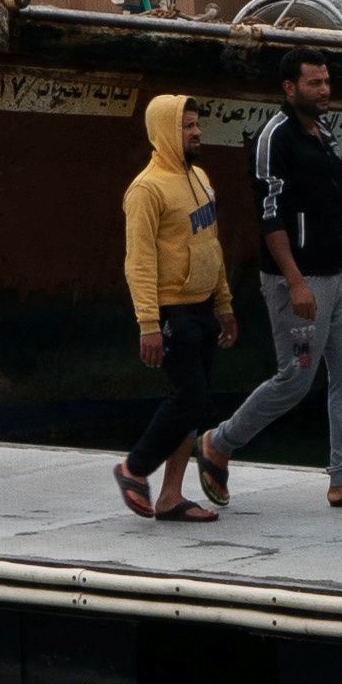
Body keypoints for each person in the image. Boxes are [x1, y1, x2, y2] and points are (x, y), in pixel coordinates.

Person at [213, 57, 342, 512]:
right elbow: (269, 216)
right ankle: (219, 442)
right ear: (290, 87)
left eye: (328, 81)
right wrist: (295, 282)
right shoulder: (274, 138)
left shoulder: (324, 131)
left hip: (340, 274)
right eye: (315, 83)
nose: (325, 89)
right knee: (296, 379)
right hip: (300, 280)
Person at [112, 91, 234, 523]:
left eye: (197, 124)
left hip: (202, 306)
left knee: (195, 404)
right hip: (171, 311)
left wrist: (224, 303)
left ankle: (170, 497)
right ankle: (134, 468)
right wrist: (148, 322)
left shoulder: (200, 177)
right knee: (190, 396)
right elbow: (138, 262)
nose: (197, 131)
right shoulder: (145, 190)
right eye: (187, 126)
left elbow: (210, 245)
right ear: (165, 131)